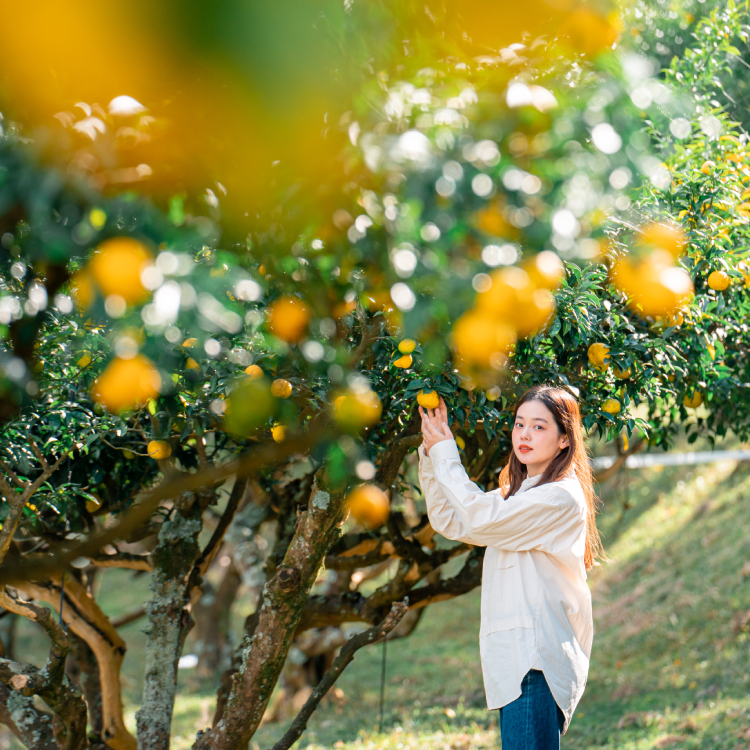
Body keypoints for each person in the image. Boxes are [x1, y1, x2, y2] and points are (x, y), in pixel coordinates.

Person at [418, 384, 607, 749]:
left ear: (565, 439)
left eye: (539, 426)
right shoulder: (519, 495)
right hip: (515, 659)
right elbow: (450, 520)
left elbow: (476, 517)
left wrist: (445, 452)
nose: (524, 434)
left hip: (534, 661)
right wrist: (430, 454)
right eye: (520, 424)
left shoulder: (558, 497)